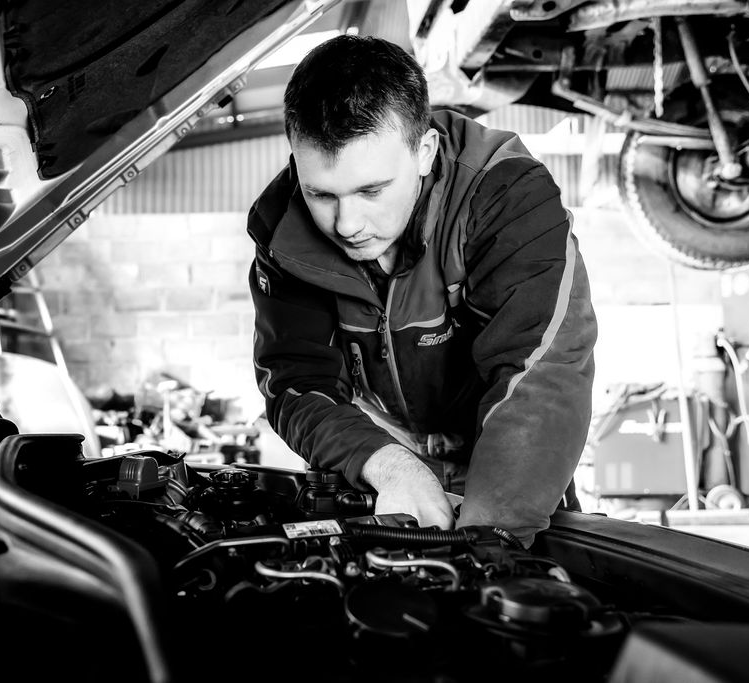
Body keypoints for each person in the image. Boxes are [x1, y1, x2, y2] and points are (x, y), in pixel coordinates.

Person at [245, 34, 598, 547]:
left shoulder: (505, 192)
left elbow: (541, 372)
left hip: (507, 457)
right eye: (321, 193)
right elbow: (296, 379)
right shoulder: (281, 227)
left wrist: (489, 543)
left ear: (426, 151)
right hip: (376, 467)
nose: (346, 224)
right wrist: (385, 464)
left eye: (371, 190)